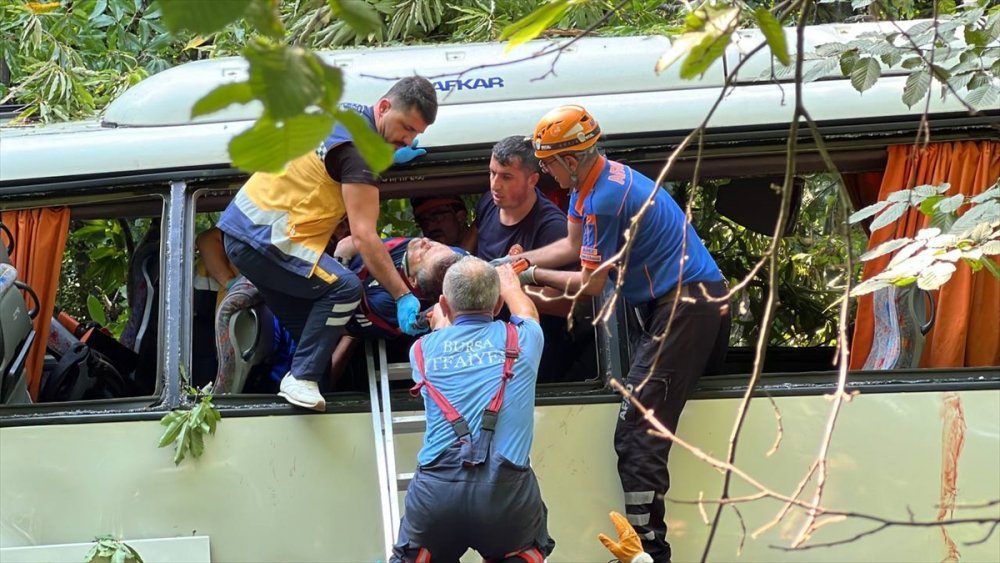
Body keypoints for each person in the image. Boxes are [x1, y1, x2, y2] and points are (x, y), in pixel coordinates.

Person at [505, 105, 732, 562]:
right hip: (679, 301)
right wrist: (518, 262)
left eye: (548, 164)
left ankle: (649, 550)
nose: (545, 173)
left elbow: (591, 287)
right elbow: (570, 246)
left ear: (571, 160)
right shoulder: (588, 185)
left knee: (637, 430)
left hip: (686, 305)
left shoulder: (605, 199)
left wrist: (527, 277)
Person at [216, 76, 438, 412]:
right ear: (383, 107)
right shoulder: (360, 152)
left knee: (315, 339)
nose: (408, 139)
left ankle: (308, 382)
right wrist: (402, 295)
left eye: (415, 133)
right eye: (406, 127)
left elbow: (333, 160)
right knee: (346, 288)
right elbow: (364, 236)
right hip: (268, 238)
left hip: (248, 235)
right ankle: (300, 377)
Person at [391, 257, 553, 562]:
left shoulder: (420, 350)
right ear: (497, 305)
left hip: (435, 498)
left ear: (444, 304)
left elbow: (444, 333)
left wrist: (442, 317)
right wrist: (510, 285)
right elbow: (527, 313)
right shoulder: (525, 339)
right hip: (506, 500)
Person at [476, 135, 588, 382]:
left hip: (534, 355)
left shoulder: (553, 229)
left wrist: (510, 290)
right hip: (488, 346)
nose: (495, 185)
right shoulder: (488, 204)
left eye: (506, 177)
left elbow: (571, 305)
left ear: (532, 180)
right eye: (492, 173)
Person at [326, 236, 464, 386]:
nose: (425, 241)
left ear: (413, 281)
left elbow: (342, 316)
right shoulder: (446, 255)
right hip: (349, 288)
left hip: (349, 322)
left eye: (426, 252)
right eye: (435, 242)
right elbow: (348, 244)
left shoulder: (384, 302)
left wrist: (340, 270)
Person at [409, 195, 478, 253]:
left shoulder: (483, 248)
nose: (429, 227)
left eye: (437, 218)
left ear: (460, 217)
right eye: (424, 223)